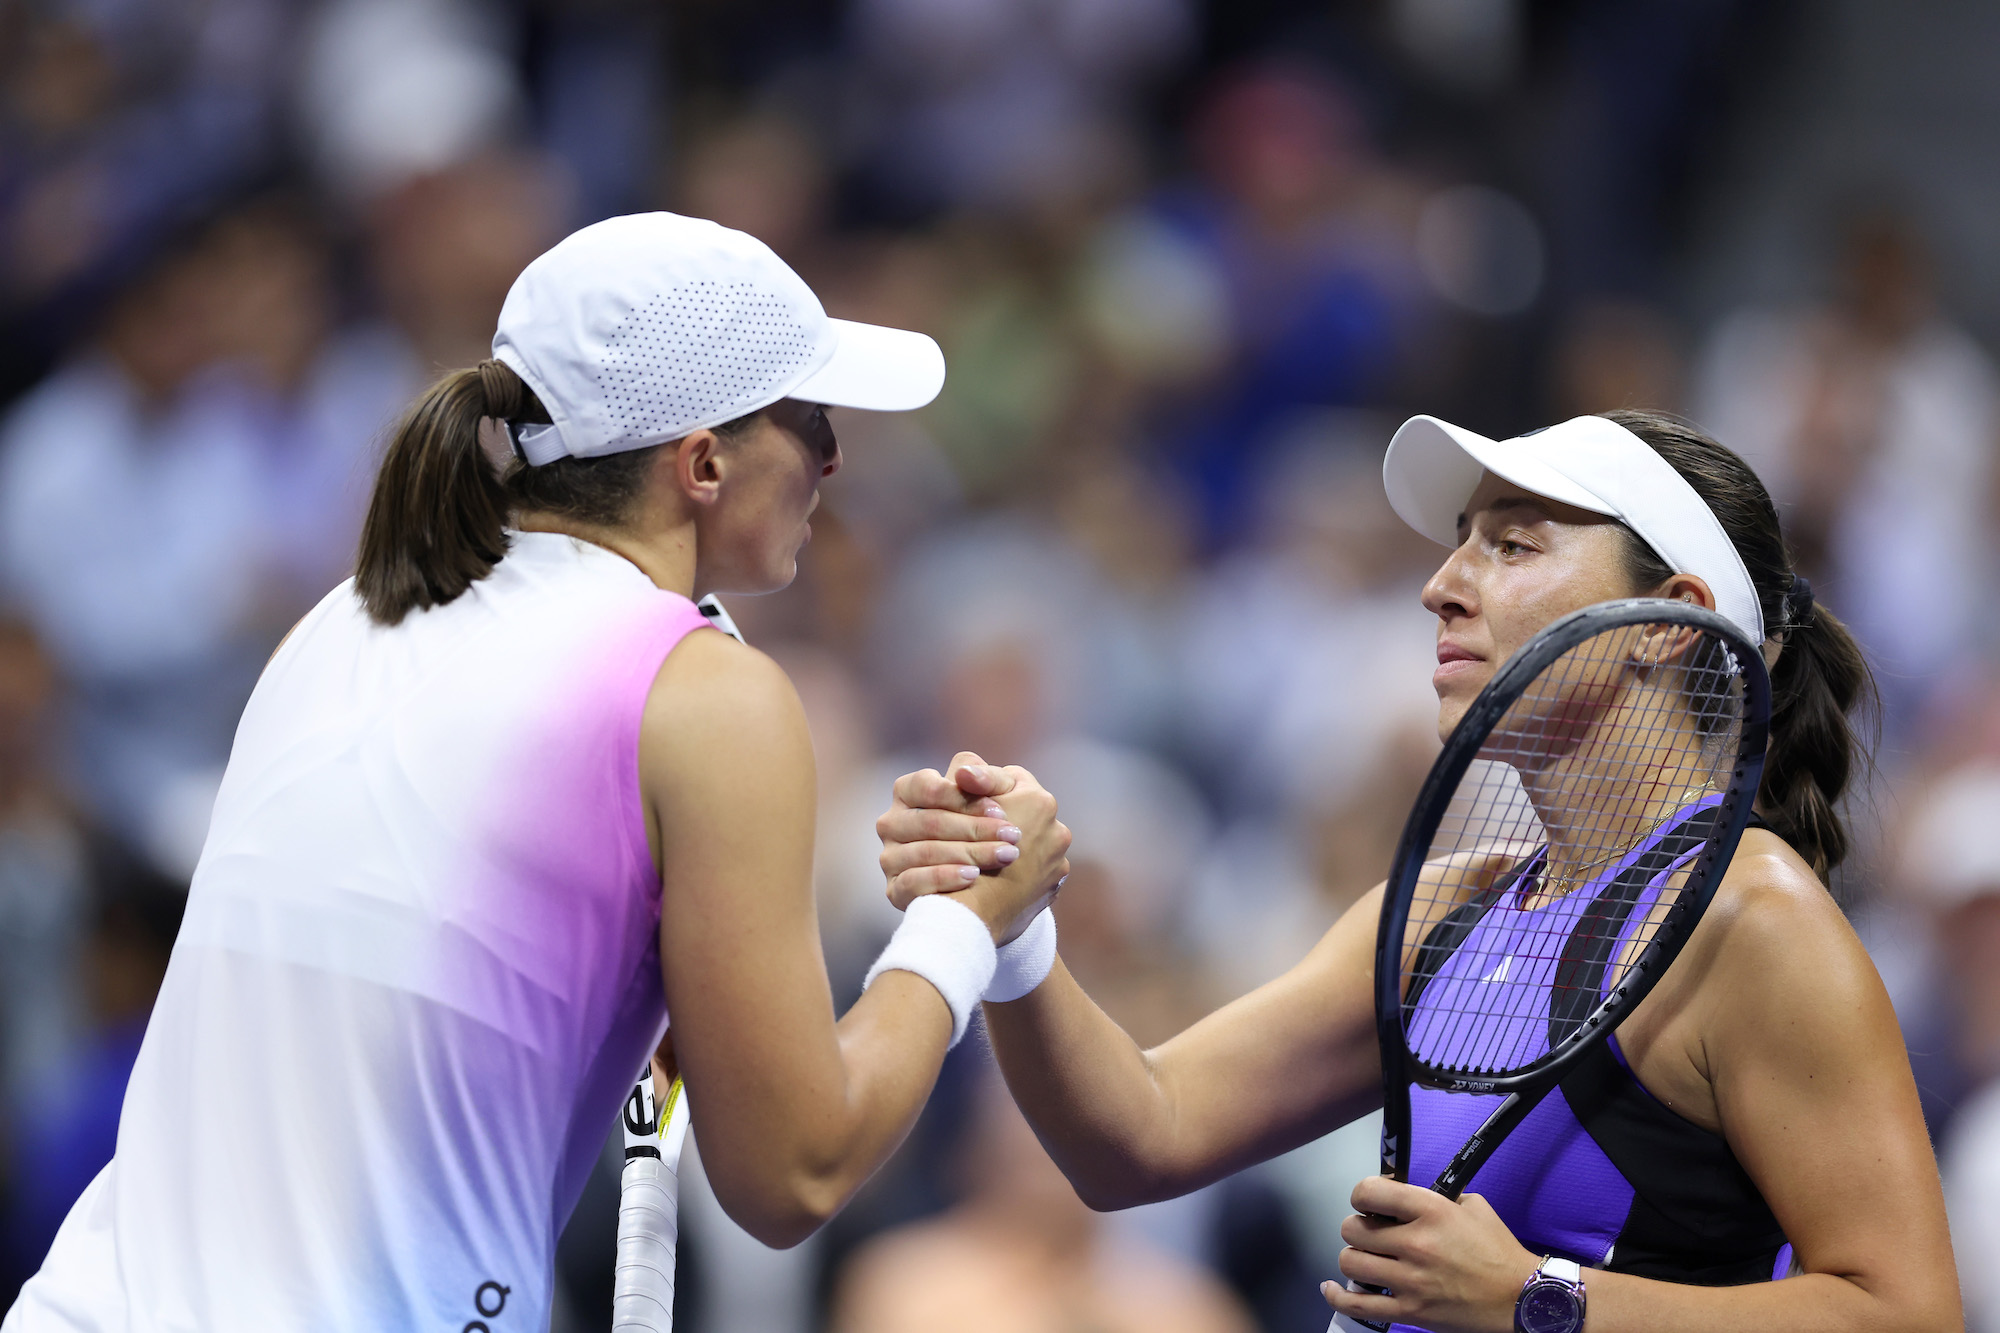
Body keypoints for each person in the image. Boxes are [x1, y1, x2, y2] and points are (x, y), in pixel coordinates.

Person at [3, 212, 1071, 1332]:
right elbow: (794, 1170)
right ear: (702, 462)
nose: (835, 458)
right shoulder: (708, 699)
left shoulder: (337, 619)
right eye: (810, 421)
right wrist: (964, 923)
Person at [879, 409, 1962, 1332]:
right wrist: (1009, 930)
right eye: (1458, 544)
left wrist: (1540, 1299)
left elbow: (1904, 1311)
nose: (1440, 586)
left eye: (1513, 544)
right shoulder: (1443, 907)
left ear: (1670, 621)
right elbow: (1136, 1137)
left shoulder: (1753, 916)